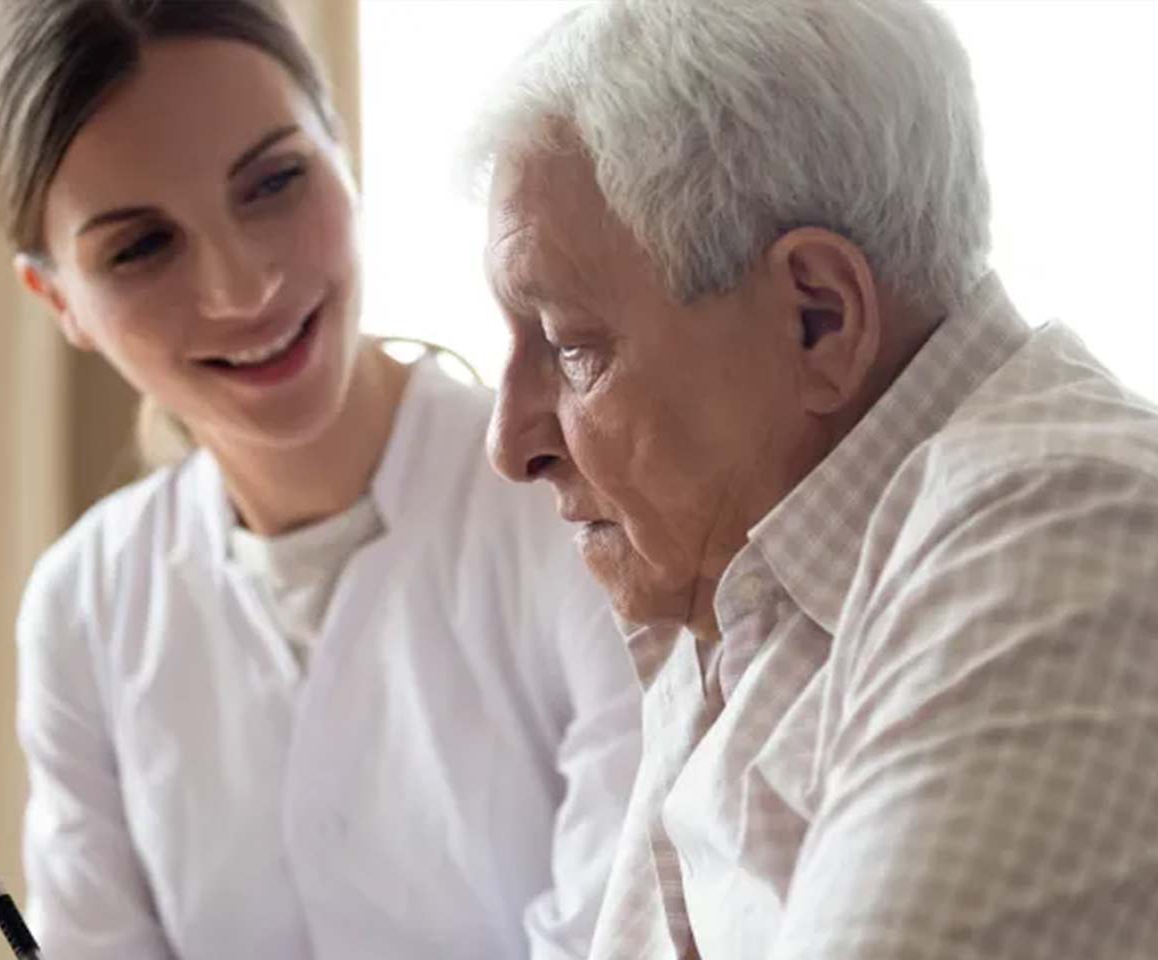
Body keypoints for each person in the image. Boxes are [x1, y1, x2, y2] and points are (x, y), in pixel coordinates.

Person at [466, 0, 1158, 958]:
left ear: (818, 318)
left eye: (569, 346)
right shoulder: (752, 577)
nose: (510, 442)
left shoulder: (1063, 546)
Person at [0, 2, 642, 958]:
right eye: (141, 247)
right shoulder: (83, 608)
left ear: (342, 148)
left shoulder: (584, 511)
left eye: (274, 181)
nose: (241, 290)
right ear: (58, 300)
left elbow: (627, 933)